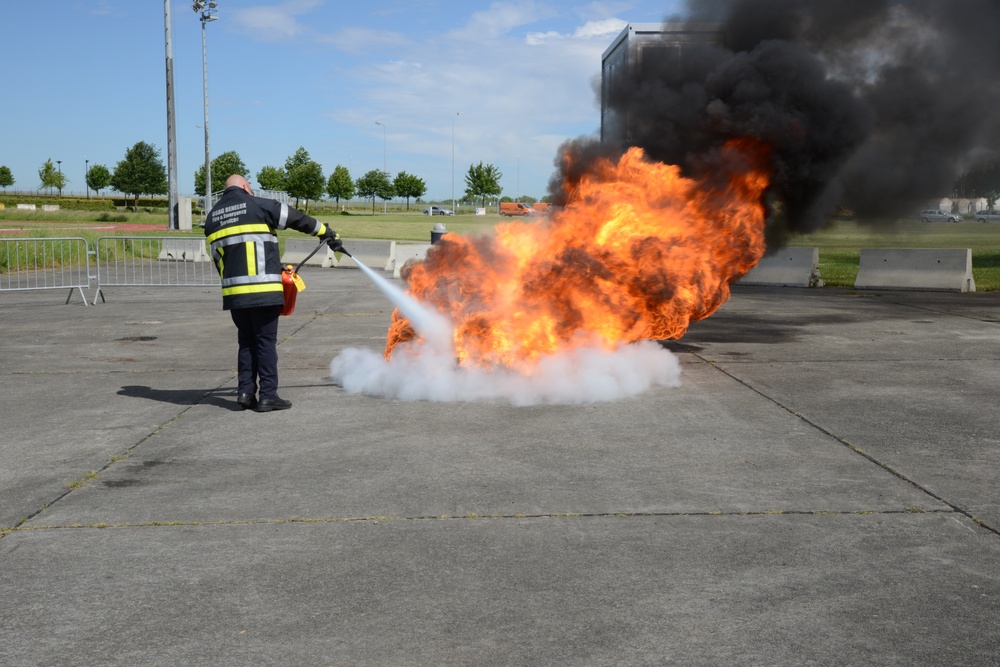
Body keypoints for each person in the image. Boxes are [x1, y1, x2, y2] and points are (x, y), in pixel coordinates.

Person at [204, 174, 343, 412]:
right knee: (265, 343)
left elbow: (225, 257)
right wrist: (326, 232)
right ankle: (268, 395)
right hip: (263, 291)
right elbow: (295, 218)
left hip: (235, 295)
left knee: (246, 342)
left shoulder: (213, 217)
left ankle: (245, 393)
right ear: (246, 187)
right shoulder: (256, 203)